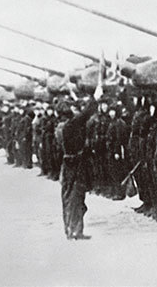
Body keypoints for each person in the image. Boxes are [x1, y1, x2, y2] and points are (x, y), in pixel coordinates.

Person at [60, 90, 98, 240]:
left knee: (70, 198)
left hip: (69, 165)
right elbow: (86, 113)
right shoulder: (73, 124)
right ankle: (75, 230)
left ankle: (71, 229)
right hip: (76, 166)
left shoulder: (66, 125)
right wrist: (95, 97)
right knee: (76, 198)